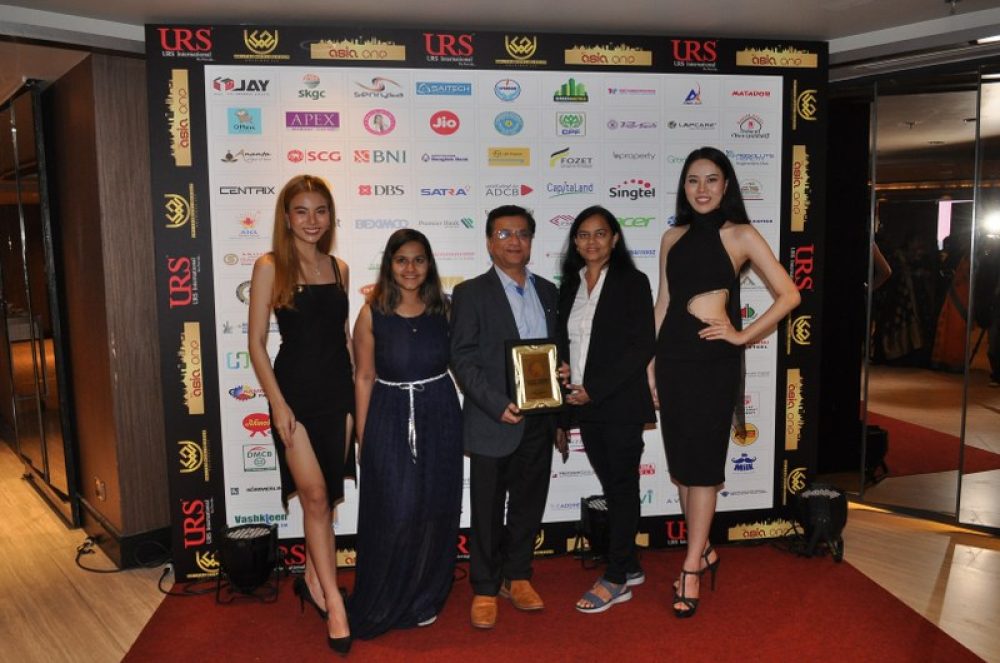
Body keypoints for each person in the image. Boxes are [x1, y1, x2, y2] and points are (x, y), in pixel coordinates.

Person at [653, 147, 800, 618]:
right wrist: (649, 365)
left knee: (702, 467)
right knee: (683, 465)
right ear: (683, 186)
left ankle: (691, 567)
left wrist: (741, 335)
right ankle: (703, 550)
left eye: (711, 179)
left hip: (712, 366)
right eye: (693, 180)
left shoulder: (741, 234)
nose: (702, 189)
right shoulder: (671, 237)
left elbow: (789, 294)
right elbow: (663, 304)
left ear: (726, 185)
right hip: (672, 362)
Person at [247, 175, 354, 653]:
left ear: (330, 216)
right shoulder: (270, 266)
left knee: (325, 499)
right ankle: (334, 603)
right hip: (295, 395)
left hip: (339, 394)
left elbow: (344, 339)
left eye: (321, 210)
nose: (312, 220)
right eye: (302, 211)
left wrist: (360, 400)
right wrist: (278, 404)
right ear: (286, 217)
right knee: (313, 495)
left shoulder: (339, 268)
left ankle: (313, 577)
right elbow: (256, 343)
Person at [450, 204, 563, 629]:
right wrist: (495, 403)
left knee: (529, 504)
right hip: (492, 418)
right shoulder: (470, 293)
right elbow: (462, 358)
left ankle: (518, 576)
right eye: (504, 234)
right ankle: (484, 586)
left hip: (540, 418)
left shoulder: (548, 291)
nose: (514, 241)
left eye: (522, 234)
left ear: (531, 241)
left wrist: (561, 374)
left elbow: (556, 351)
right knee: (486, 508)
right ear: (488, 242)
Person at [348, 229, 463, 637]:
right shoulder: (371, 313)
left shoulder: (445, 309)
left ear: (429, 264)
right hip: (389, 413)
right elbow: (364, 376)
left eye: (418, 259)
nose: (410, 268)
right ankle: (384, 596)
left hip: (440, 412)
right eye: (401, 260)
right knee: (395, 509)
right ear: (389, 264)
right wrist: (364, 438)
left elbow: (466, 361)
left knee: (435, 507)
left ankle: (424, 596)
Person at [555, 205, 655, 613]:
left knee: (621, 486)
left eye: (600, 233)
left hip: (620, 403)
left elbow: (641, 346)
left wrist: (593, 390)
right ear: (575, 242)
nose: (591, 241)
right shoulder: (570, 285)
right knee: (613, 486)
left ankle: (616, 578)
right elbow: (566, 346)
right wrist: (564, 380)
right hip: (584, 405)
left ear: (614, 239)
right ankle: (628, 564)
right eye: (583, 234)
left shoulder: (633, 282)